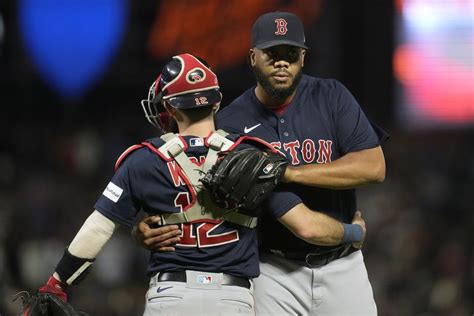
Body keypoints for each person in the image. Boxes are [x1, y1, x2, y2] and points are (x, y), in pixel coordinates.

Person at [36, 53, 368, 315]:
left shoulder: (143, 159)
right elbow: (305, 225)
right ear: (216, 102)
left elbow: (97, 228)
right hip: (233, 298)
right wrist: (354, 232)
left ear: (168, 106)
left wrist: (57, 282)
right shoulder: (253, 156)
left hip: (171, 295)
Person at [135, 12, 388, 316]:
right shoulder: (230, 123)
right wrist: (147, 228)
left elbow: (374, 167)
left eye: (291, 54)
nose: (282, 62)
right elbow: (190, 191)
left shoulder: (331, 96)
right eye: (272, 54)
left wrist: (289, 173)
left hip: (343, 265)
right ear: (253, 57)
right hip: (272, 271)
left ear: (303, 58)